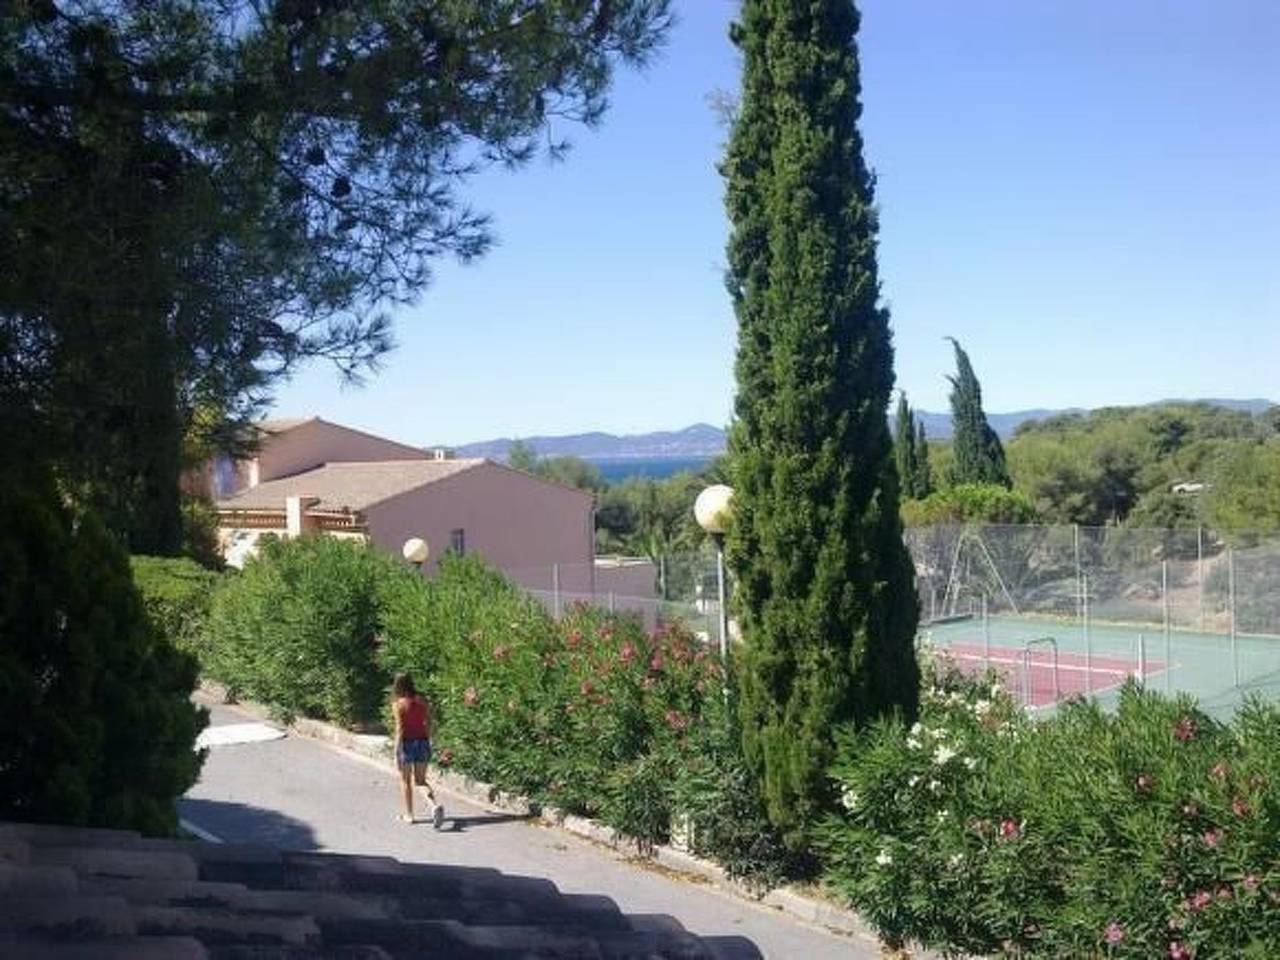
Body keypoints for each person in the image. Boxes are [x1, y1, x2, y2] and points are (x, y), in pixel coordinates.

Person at [391, 672, 445, 828]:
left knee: (405, 781)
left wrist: (396, 750)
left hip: (406, 745)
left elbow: (399, 728)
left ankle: (409, 815)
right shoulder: (422, 700)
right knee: (421, 781)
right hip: (422, 742)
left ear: (397, 686)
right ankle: (433, 805)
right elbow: (429, 721)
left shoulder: (397, 704)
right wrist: (430, 739)